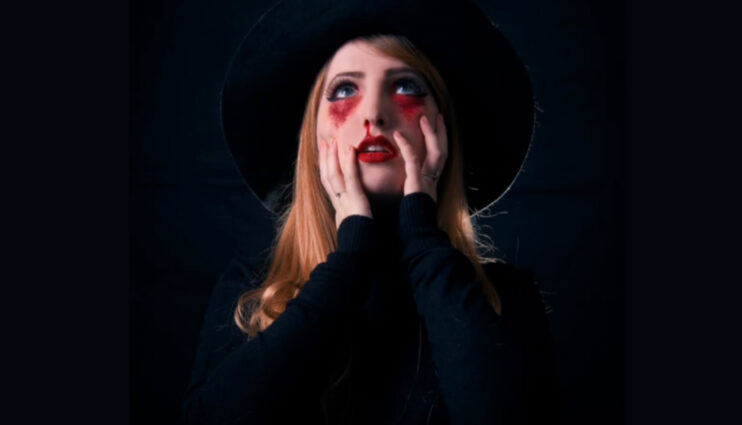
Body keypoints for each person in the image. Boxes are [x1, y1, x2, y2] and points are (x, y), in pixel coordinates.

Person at [182, 1, 560, 424]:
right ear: (315, 137)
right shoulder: (252, 294)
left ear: (441, 129)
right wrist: (348, 260)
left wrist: (423, 236)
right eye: (345, 90)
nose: (374, 114)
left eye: (406, 86)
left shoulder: (504, 296)